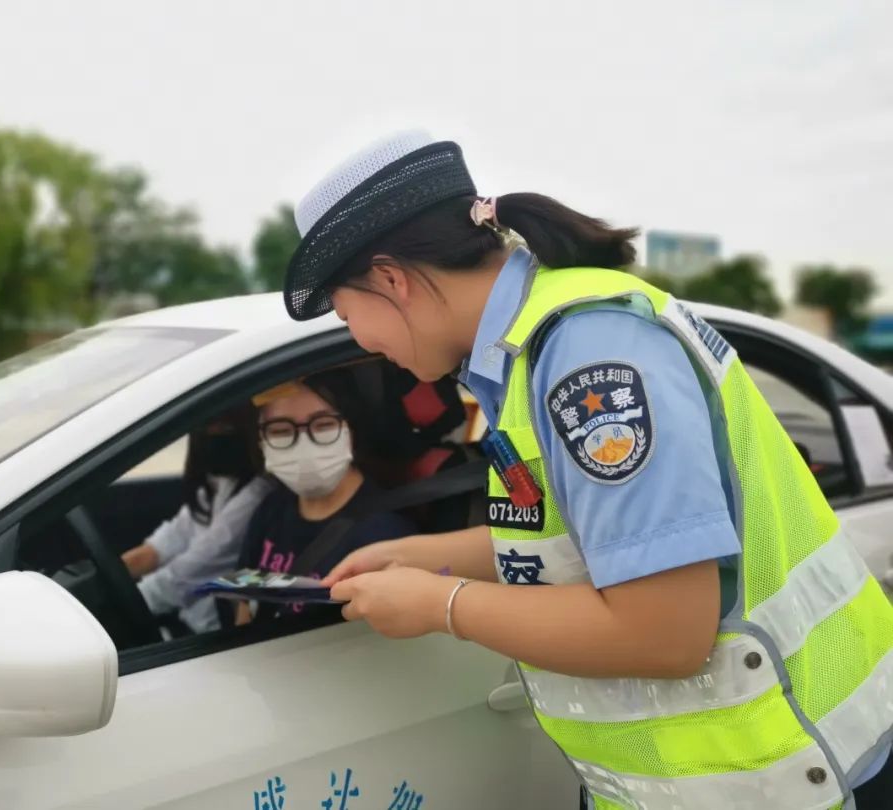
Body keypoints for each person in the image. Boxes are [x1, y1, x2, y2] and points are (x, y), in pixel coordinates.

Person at [281, 131, 893, 808]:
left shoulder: (588, 356)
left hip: (794, 777)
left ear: (393, 279)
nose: (361, 342)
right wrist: (419, 555)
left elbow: (665, 630)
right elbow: (593, 543)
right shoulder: (523, 356)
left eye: (347, 314)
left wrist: (441, 605)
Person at [234, 372, 416, 625]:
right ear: (261, 441)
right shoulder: (270, 509)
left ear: (351, 429)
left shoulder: (385, 535)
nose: (304, 444)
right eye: (281, 430)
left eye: (323, 425)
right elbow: (244, 601)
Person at [120, 408, 272, 634]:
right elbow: (158, 548)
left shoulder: (258, 496)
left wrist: (121, 605)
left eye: (227, 427)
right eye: (208, 427)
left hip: (212, 634)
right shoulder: (214, 487)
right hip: (186, 621)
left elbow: (188, 573)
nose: (216, 434)